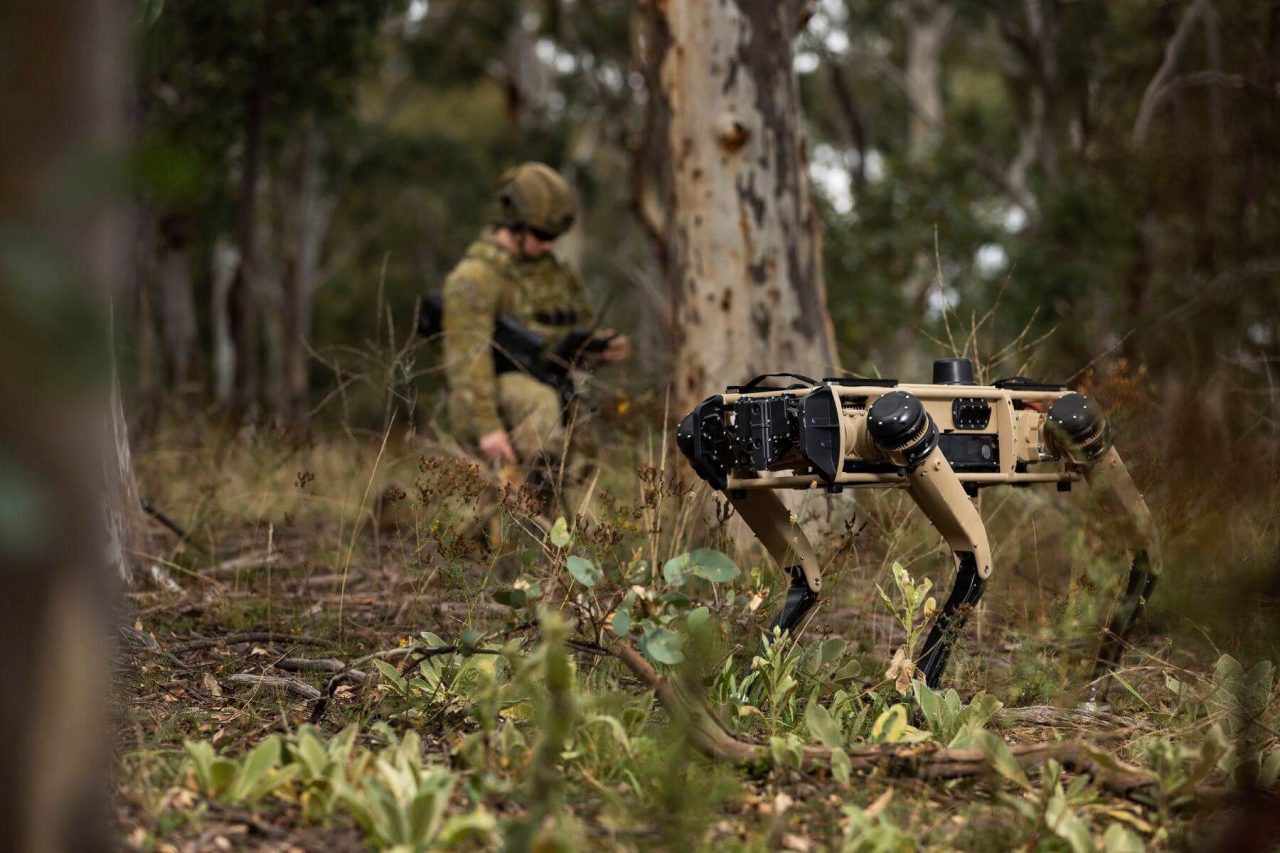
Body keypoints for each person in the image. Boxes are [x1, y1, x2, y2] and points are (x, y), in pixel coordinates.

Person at [441, 162, 631, 514]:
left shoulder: (555, 276)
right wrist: (488, 429)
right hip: (486, 397)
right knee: (540, 405)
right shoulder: (476, 278)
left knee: (578, 431)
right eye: (541, 236)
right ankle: (534, 529)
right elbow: (468, 363)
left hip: (548, 382)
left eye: (553, 238)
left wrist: (601, 347)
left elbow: (574, 332)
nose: (548, 246)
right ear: (514, 224)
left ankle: (553, 528)